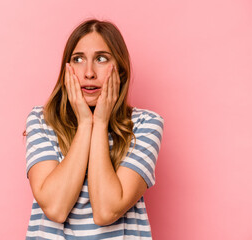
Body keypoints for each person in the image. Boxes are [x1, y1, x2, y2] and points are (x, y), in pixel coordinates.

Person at [23, 18, 164, 239]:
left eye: (101, 59)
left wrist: (99, 123)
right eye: (78, 59)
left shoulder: (145, 124)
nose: (89, 72)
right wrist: (85, 123)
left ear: (120, 68)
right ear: (66, 70)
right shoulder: (42, 121)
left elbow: (106, 211)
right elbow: (55, 208)